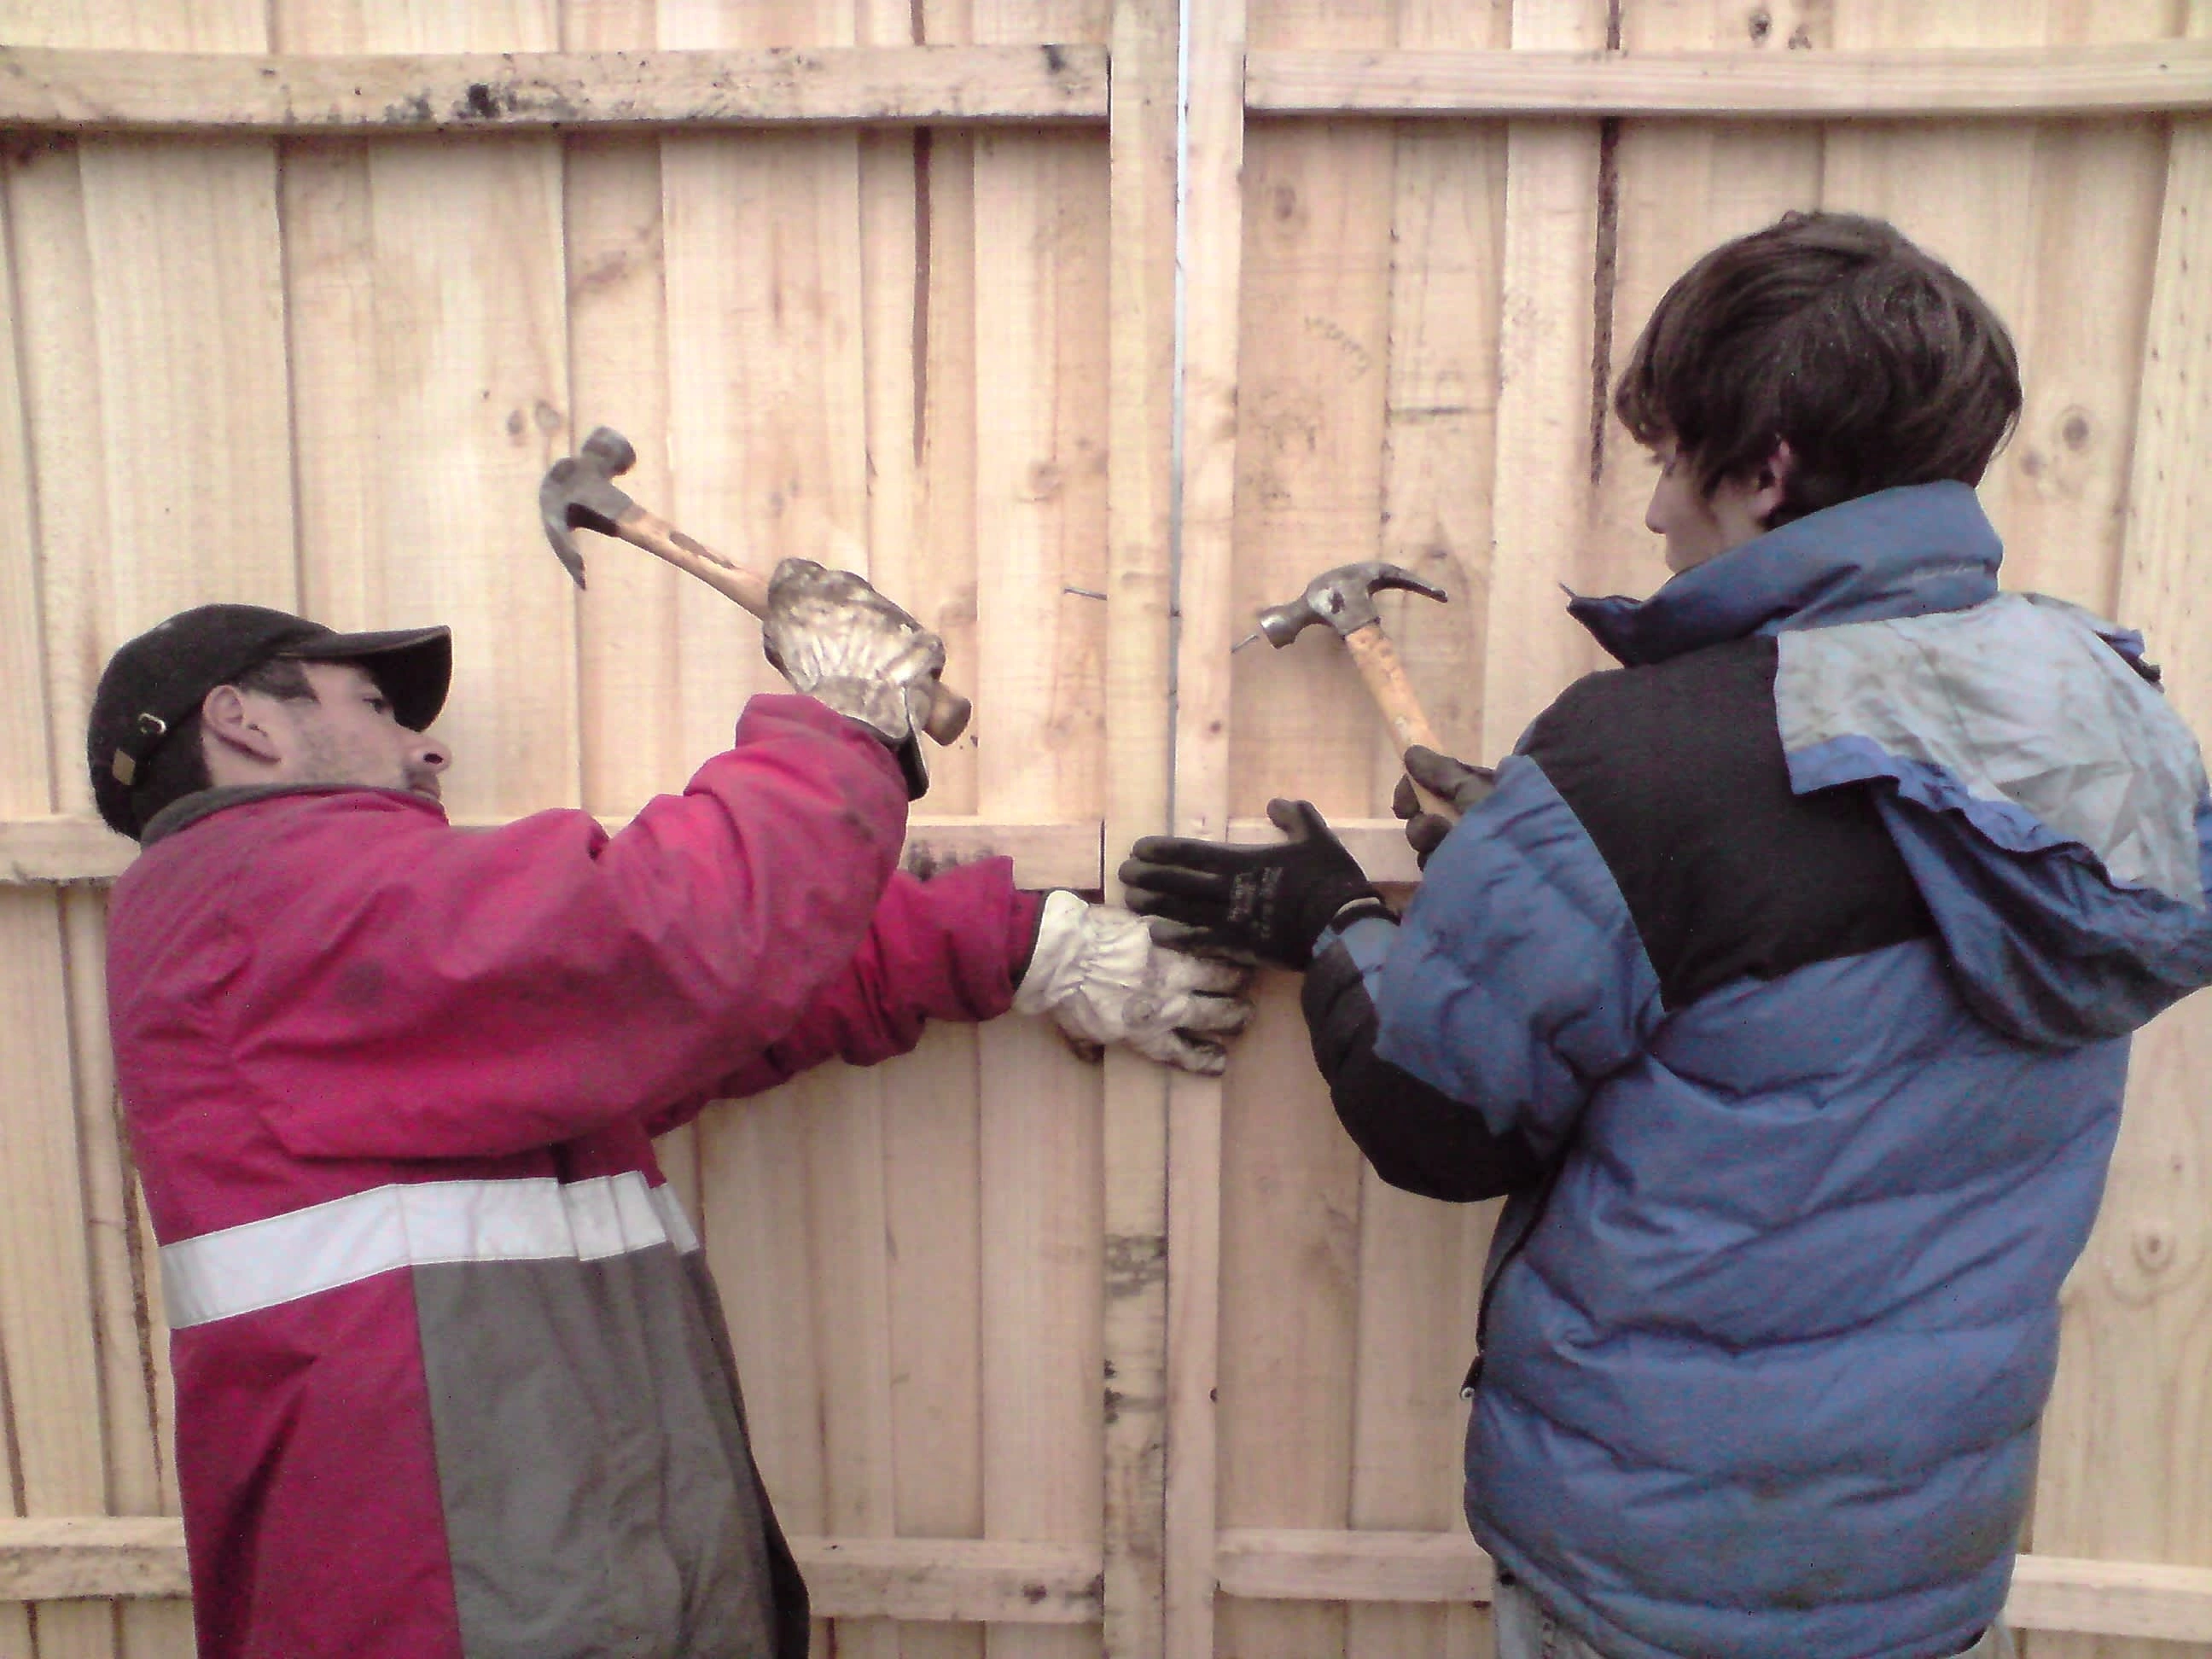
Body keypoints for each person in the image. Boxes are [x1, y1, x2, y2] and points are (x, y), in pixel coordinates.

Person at [1121, 212, 2212, 1659]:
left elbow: (1439, 1127)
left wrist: (1336, 927)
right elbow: (1817, 939)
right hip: (1921, 1553)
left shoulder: (1649, 763)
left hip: (1656, 1582)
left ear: (1764, 471)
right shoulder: (2099, 703)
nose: (1651, 513)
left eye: (1668, 454)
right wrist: (1554, 878)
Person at [91, 561, 1248, 1659]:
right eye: (381, 705)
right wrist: (841, 726)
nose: (428, 743)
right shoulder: (255, 904)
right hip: (458, 1613)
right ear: (244, 721)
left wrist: (1018, 946)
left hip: (543, 1589)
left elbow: (680, 1013)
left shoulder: (325, 951)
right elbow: (660, 937)